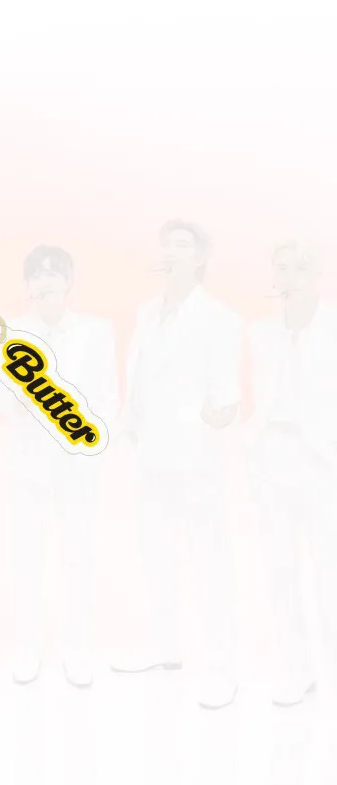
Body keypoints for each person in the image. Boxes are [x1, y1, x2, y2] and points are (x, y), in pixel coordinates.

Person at [113, 219, 242, 710]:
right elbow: (138, 376)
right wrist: (127, 427)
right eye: (166, 244)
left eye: (182, 245)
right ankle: (164, 647)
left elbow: (225, 392)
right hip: (150, 454)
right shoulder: (147, 312)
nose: (170, 251)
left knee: (208, 559)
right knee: (155, 553)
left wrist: (214, 417)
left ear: (200, 257)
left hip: (195, 459)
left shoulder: (219, 318)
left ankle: (221, 665)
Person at [7, 245, 119, 687]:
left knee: (78, 556)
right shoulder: (14, 334)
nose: (46, 280)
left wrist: (89, 449)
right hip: (29, 463)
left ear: (69, 281)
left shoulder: (96, 331)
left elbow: (107, 396)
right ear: (28, 285)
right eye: (37, 274)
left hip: (76, 464)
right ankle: (27, 647)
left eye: (54, 273)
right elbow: (3, 398)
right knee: (27, 557)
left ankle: (77, 649)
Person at [245, 240, 337, 705]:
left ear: (317, 275)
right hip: (272, 457)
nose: (289, 278)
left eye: (299, 269)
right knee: (280, 570)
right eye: (281, 269)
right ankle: (297, 671)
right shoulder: (261, 332)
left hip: (323, 459)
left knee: (329, 572)